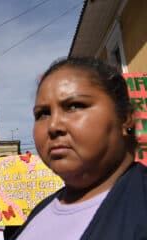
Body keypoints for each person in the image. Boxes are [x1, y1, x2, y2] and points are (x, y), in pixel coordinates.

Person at [10, 57, 145, 240]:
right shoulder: (40, 212)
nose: (53, 126)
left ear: (125, 119)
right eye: (42, 114)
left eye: (74, 106)